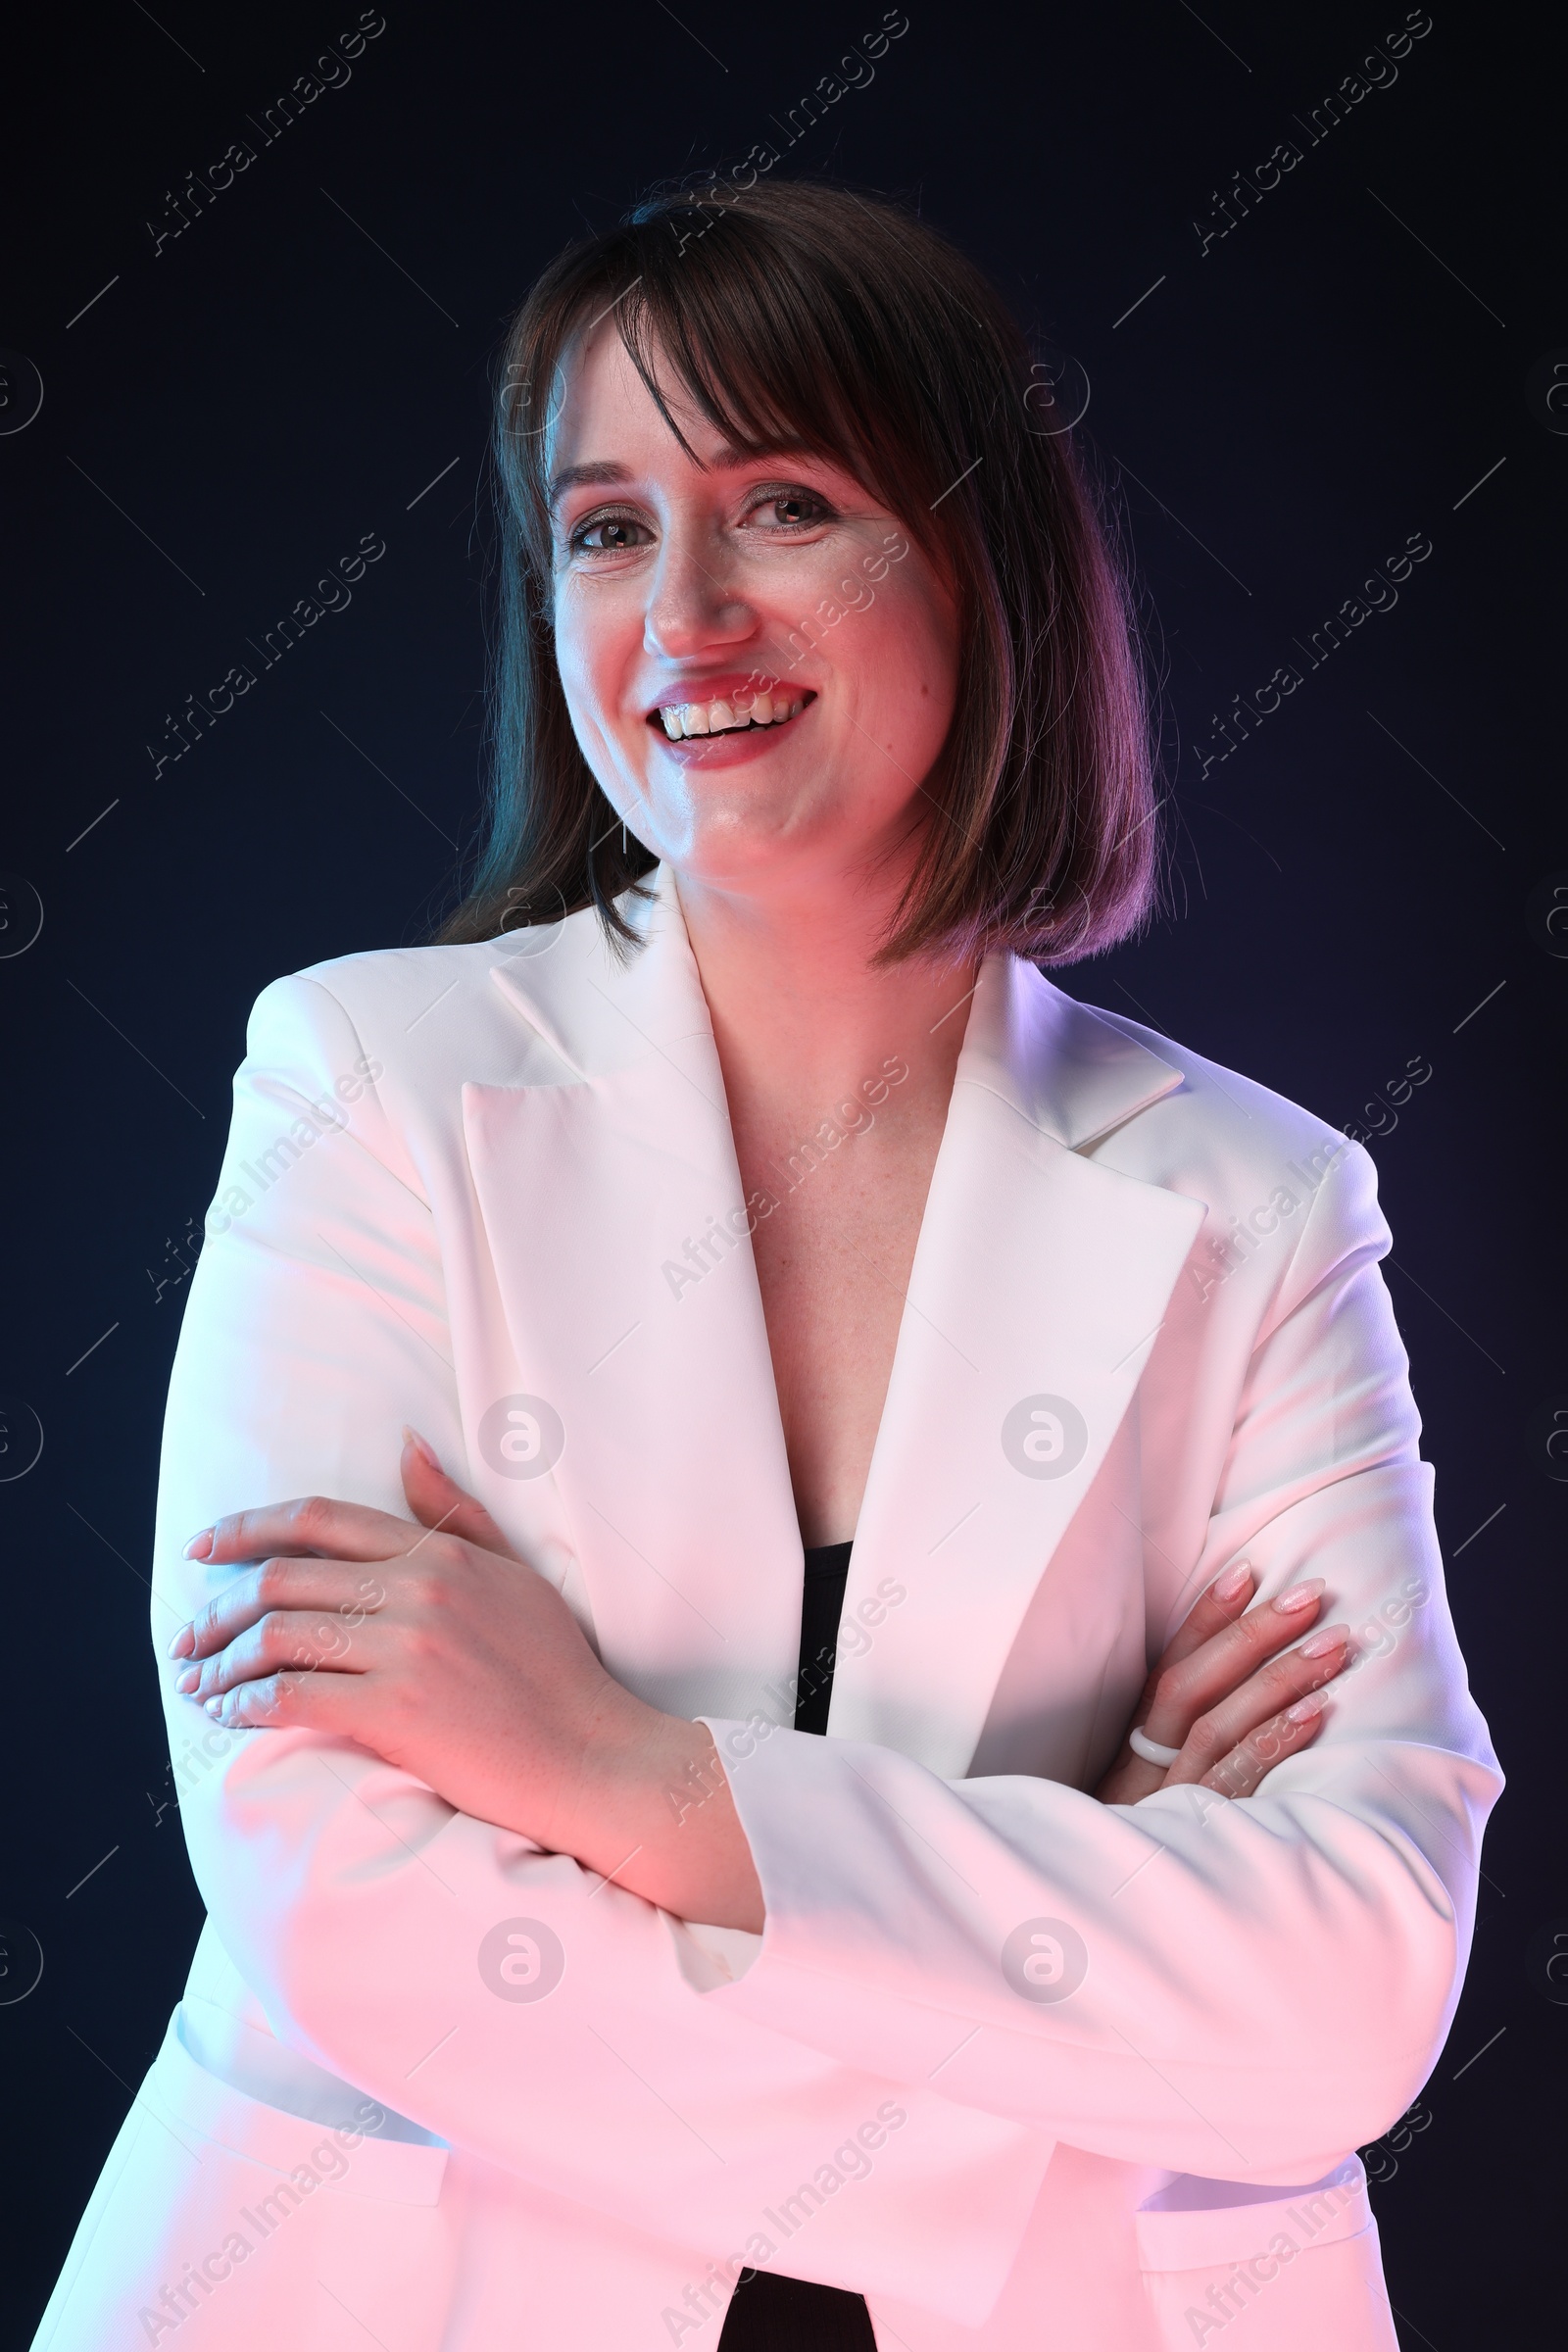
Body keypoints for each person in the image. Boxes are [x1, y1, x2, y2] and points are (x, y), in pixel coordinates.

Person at [33, 180, 1498, 2352]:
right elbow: (334, 1895)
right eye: (606, 529)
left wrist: (617, 1772)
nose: (683, 612)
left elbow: (1352, 1990)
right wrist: (1091, 1976)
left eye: (782, 502)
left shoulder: (1258, 1210)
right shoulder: (369, 1083)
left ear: (978, 564)